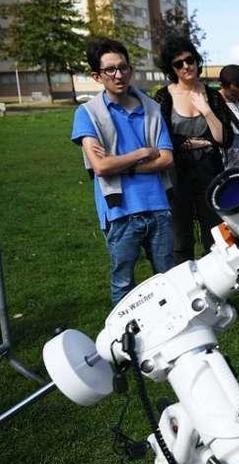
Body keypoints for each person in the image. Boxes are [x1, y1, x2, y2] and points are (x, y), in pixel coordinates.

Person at [71, 38, 174, 305]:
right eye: (110, 70)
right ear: (97, 76)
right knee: (123, 284)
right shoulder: (87, 114)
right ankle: (125, 342)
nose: (119, 75)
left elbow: (166, 159)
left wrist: (120, 164)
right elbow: (101, 167)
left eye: (124, 67)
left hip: (158, 206)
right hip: (119, 212)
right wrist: (141, 153)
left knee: (167, 280)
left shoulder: (151, 108)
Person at [154, 36, 234, 264]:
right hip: (177, 178)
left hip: (210, 176)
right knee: (181, 241)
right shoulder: (163, 97)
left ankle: (216, 290)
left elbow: (223, 139)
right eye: (178, 64)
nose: (186, 66)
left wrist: (207, 110)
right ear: (172, 69)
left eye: (189, 60)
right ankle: (186, 293)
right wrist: (201, 142)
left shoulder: (212, 96)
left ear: (197, 60)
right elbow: (163, 140)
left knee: (214, 237)